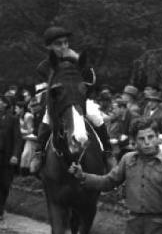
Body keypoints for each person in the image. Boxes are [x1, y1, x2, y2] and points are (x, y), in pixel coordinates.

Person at [30, 26, 115, 174]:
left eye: (65, 42)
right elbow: (41, 93)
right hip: (58, 104)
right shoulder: (43, 67)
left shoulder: (77, 60)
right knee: (46, 119)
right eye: (58, 44)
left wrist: (77, 59)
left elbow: (92, 80)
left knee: (95, 115)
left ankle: (108, 152)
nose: (64, 46)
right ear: (49, 46)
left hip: (80, 101)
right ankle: (38, 153)